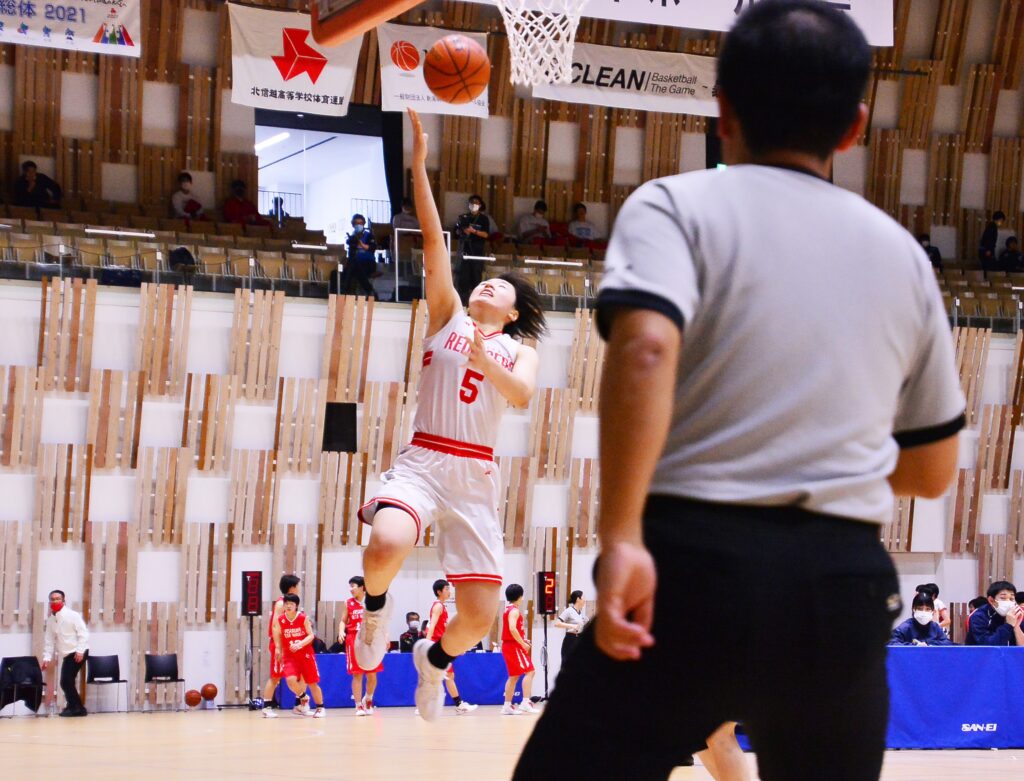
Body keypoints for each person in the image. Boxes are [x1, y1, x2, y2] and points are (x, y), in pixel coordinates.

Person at [513, 3, 964, 780]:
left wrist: (620, 537)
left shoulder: (674, 205)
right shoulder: (903, 257)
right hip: (839, 586)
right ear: (855, 127)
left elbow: (648, 346)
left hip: (692, 568)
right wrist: (818, 449)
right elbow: (930, 471)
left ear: (722, 110)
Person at [353, 108, 546, 723]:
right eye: (485, 282)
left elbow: (519, 395)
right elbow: (435, 242)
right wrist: (416, 165)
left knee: (480, 617)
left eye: (500, 289)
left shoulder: (521, 349)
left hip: (475, 475)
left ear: (513, 313)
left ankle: (433, 664)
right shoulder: (448, 315)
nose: (487, 287)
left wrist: (490, 359)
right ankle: (376, 611)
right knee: (386, 540)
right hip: (425, 458)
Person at [425, 579, 478, 714]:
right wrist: (427, 643)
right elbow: (431, 625)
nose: (449, 591)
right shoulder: (438, 606)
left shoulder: (441, 606)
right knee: (443, 676)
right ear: (439, 591)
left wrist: (456, 646)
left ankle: (458, 704)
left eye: (449, 589)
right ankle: (457, 704)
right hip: (438, 646)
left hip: (443, 645)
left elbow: (444, 629)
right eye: (447, 589)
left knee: (446, 676)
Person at [273, 594, 325, 718]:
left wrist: (300, 644)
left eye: (291, 604)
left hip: (305, 654)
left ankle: (320, 707)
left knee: (312, 683)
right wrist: (278, 648)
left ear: (296, 606)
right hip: (290, 655)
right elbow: (278, 634)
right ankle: (303, 697)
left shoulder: (302, 618)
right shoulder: (281, 620)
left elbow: (311, 635)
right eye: (286, 603)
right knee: (290, 680)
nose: (289, 606)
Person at [339, 575, 383, 716]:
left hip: (371, 639)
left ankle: (368, 699)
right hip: (354, 638)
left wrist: (385, 636)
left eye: (353, 586)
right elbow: (342, 621)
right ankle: (358, 705)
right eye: (350, 586)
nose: (351, 589)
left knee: (372, 674)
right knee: (357, 674)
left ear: (362, 587)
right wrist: (341, 632)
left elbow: (380, 621)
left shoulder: (373, 602)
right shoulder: (348, 603)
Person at [42, 589, 89, 717]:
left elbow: (83, 633)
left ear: (63, 600)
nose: (55, 601)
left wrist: (80, 651)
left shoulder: (72, 615)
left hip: (78, 651)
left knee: (65, 681)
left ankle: (75, 707)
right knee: (66, 681)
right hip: (67, 654)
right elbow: (49, 640)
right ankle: (77, 708)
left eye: (57, 598)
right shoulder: (51, 620)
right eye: (52, 599)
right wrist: (46, 658)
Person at [261, 574, 300, 718]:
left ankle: (299, 705)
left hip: (291, 644)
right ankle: (266, 707)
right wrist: (278, 646)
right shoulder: (280, 603)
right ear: (291, 587)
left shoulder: (292, 603)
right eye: (297, 586)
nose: (298, 588)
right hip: (280, 644)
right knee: (276, 676)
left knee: (299, 675)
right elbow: (275, 626)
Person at [501, 583, 539, 715]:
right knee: (530, 671)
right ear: (519, 596)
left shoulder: (508, 609)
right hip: (513, 646)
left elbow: (513, 630)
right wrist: (522, 644)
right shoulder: (514, 611)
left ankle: (506, 705)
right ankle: (525, 702)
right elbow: (512, 629)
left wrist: (523, 640)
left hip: (510, 645)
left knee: (514, 676)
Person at [454, 194, 491, 302]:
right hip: (464, 249)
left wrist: (474, 231)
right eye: (472, 202)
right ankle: (462, 302)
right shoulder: (463, 217)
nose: (474, 205)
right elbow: (456, 232)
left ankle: (476, 301)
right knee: (463, 277)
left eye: (476, 203)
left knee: (476, 276)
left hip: (477, 250)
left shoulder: (484, 219)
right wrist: (462, 230)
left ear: (480, 205)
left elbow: (486, 235)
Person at [965, 580, 1024, 646]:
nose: (1008, 602)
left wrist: (1016, 626)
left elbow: (1022, 647)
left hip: (1010, 655)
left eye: (1011, 599)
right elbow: (989, 647)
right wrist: (1008, 625)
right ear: (991, 600)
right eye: (1003, 598)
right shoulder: (978, 617)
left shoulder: (1015, 614)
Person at [889, 594, 954, 646]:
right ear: (913, 609)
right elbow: (891, 642)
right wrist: (914, 646)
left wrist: (930, 644)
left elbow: (947, 643)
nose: (924, 612)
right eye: (920, 609)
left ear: (932, 611)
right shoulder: (905, 627)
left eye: (927, 609)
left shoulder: (935, 627)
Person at [342, 214, 378, 298]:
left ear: (364, 224)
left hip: (368, 263)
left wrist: (362, 245)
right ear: (353, 224)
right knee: (352, 268)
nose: (358, 225)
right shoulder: (351, 237)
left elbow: (372, 248)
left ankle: (346, 292)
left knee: (354, 268)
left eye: (361, 223)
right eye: (356, 223)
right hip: (354, 263)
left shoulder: (369, 236)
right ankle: (369, 290)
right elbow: (351, 253)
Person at [552, 590, 587, 662]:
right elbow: (557, 623)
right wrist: (572, 626)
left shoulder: (581, 613)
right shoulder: (569, 611)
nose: (585, 600)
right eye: (583, 598)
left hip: (579, 640)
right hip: (570, 640)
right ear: (578, 599)